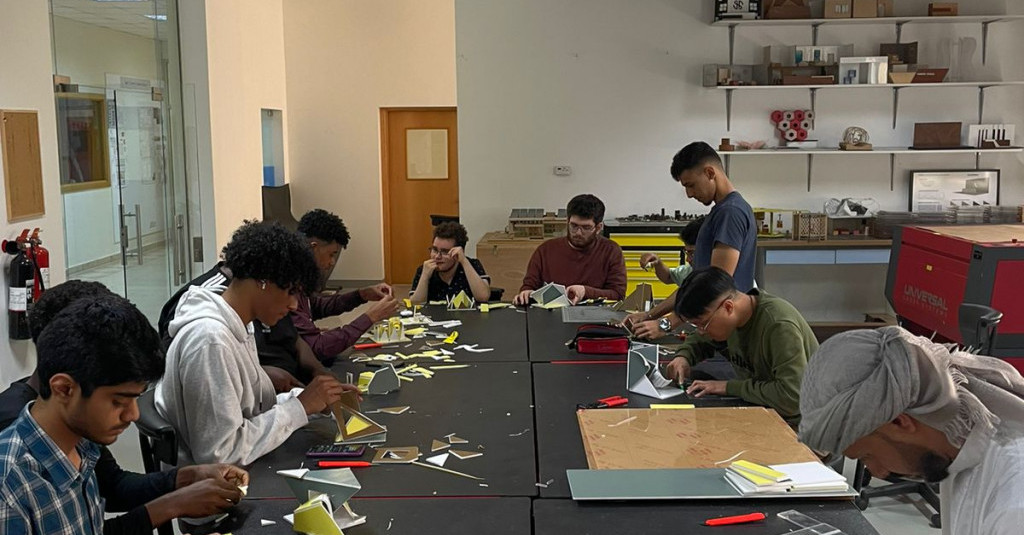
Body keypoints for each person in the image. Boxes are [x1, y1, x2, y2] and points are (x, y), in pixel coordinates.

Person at [0, 281, 248, 535]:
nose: (134, 415)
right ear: (64, 389)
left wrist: (185, 478)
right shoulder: (10, 489)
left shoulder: (79, 443)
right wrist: (173, 503)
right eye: (118, 401)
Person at [156, 220, 349, 468]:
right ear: (263, 280)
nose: (293, 305)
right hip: (215, 480)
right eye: (290, 291)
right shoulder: (210, 341)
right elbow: (220, 453)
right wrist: (300, 407)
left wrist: (312, 398)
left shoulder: (240, 325)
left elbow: (254, 410)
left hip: (240, 466)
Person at [799, 327, 1024, 534]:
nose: (878, 472)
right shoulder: (951, 444)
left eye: (867, 456)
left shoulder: (1014, 502)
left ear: (899, 422)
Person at [628, 142, 756, 339]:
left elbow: (713, 286)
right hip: (715, 327)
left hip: (727, 331)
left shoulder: (730, 213)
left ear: (710, 173)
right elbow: (693, 287)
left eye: (691, 185)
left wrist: (665, 325)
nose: (689, 194)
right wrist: (650, 315)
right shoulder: (721, 212)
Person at [664, 267, 817, 425]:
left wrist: (728, 387)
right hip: (765, 412)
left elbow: (792, 397)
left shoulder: (779, 326)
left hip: (802, 425)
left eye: (703, 324)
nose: (701, 331)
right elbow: (700, 339)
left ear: (728, 307)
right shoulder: (733, 319)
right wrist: (683, 356)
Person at [291, 209, 400, 360]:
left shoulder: (298, 281)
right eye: (331, 254)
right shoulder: (286, 289)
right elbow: (319, 348)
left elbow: (315, 306)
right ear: (313, 248)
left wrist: (362, 295)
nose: (332, 262)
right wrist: (370, 316)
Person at [513, 194, 626, 305]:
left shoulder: (611, 251)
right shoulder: (545, 250)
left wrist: (585, 292)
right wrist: (526, 293)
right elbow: (529, 286)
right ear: (567, 221)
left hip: (595, 313)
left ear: (598, 227)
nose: (578, 233)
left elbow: (618, 294)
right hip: (552, 312)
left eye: (586, 227)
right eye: (574, 226)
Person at [410, 221, 490, 304]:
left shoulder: (472, 265)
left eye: (444, 251)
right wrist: (425, 276)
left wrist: (464, 261)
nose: (437, 256)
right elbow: (416, 304)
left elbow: (483, 297)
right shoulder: (424, 269)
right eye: (435, 250)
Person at [638, 216, 703, 288]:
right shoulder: (691, 271)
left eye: (692, 253)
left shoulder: (710, 280)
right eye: (687, 253)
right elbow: (669, 276)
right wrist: (658, 262)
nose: (687, 259)